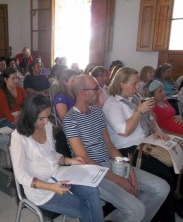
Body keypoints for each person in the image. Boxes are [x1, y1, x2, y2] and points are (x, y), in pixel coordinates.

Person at [63, 75, 169, 222]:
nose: (100, 92)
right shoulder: (70, 120)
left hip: (110, 164)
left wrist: (128, 168)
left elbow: (110, 147)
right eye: (95, 89)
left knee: (161, 188)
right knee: (136, 209)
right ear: (82, 92)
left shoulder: (97, 113)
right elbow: (84, 159)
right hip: (91, 172)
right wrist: (120, 180)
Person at [10, 94, 104, 222]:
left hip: (58, 174)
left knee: (92, 191)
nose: (45, 122)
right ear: (29, 116)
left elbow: (51, 154)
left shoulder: (47, 126)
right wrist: (51, 187)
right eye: (41, 118)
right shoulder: (18, 137)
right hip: (41, 191)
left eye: (47, 117)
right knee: (88, 208)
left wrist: (68, 160)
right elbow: (21, 176)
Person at [102, 67, 176, 222]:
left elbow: (150, 117)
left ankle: (165, 210)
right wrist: (139, 111)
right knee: (164, 174)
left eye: (137, 83)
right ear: (121, 83)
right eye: (134, 83)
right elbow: (123, 131)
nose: (137, 87)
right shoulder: (112, 104)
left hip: (146, 142)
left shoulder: (134, 97)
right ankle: (160, 216)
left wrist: (156, 128)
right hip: (128, 151)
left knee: (172, 167)